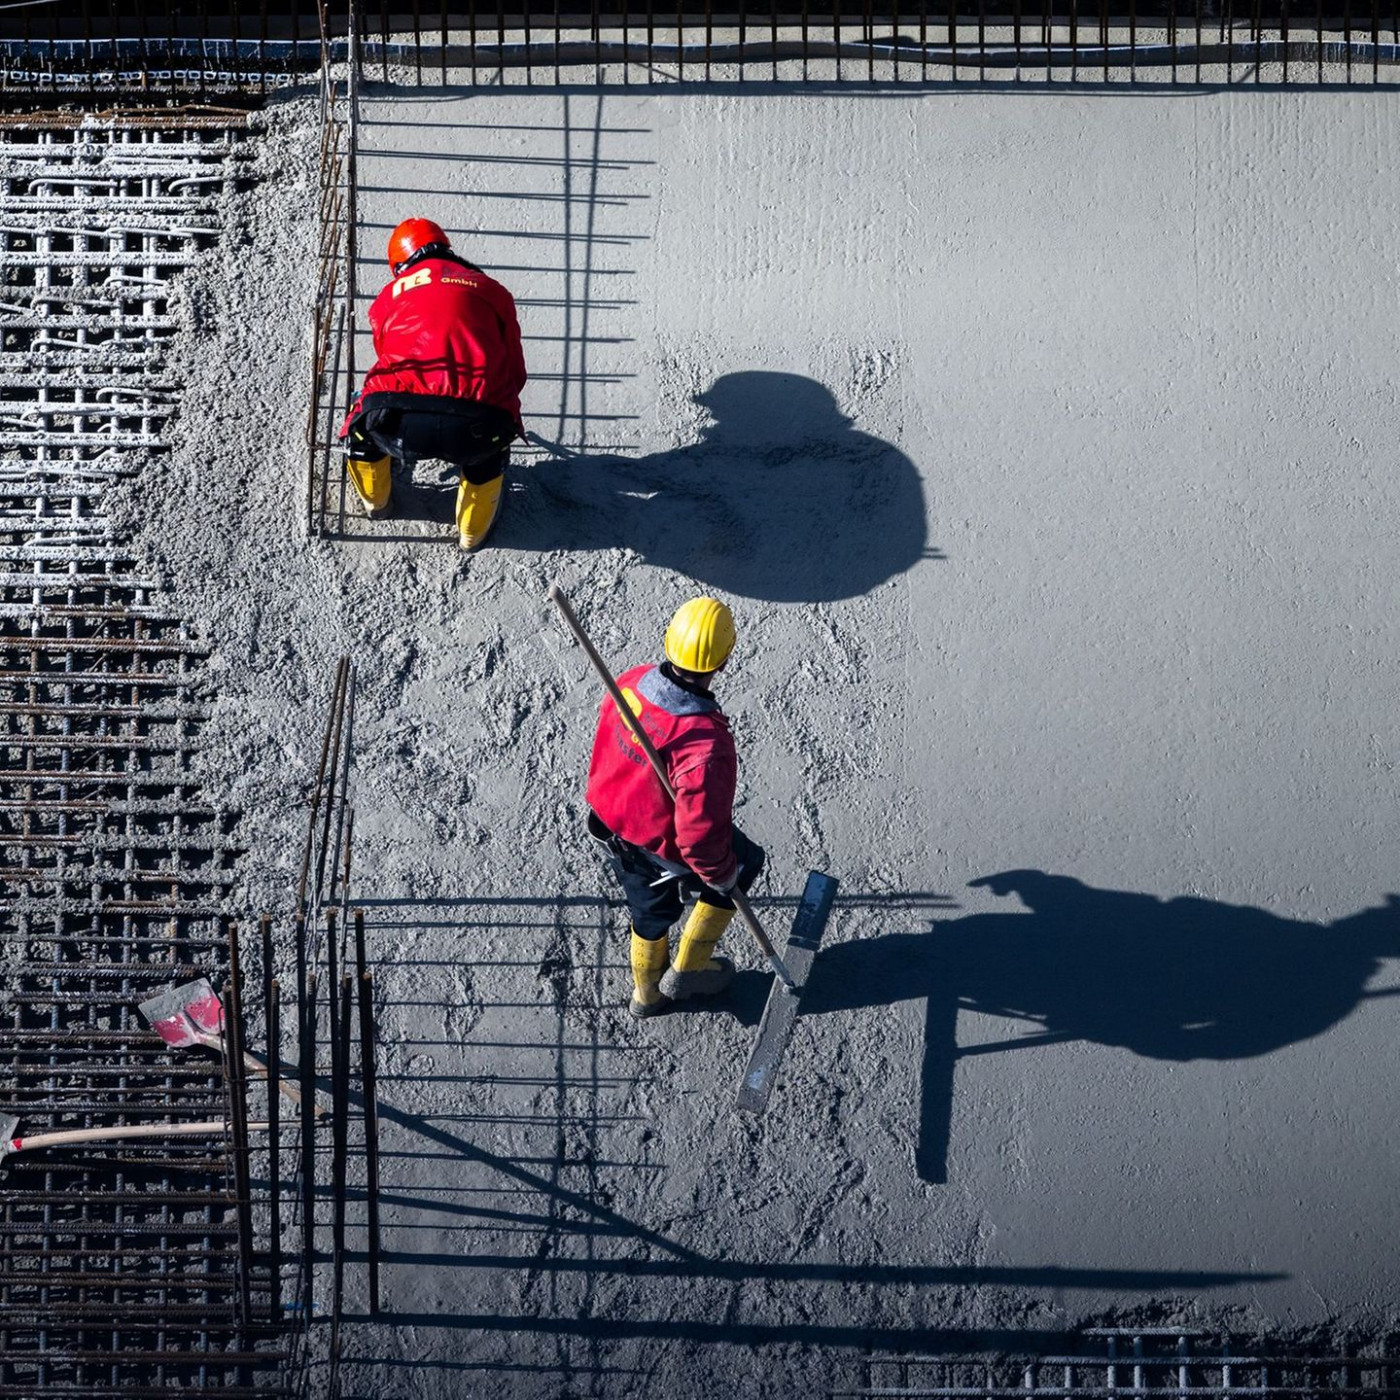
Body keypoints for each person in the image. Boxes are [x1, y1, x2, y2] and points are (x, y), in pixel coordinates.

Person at [585, 597, 765, 1018]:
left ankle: (647, 996)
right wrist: (721, 878)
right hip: (657, 845)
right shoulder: (704, 744)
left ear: (668, 642)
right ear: (723, 661)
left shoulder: (629, 683)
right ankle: (690, 968)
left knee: (649, 913)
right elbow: (698, 838)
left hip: (613, 823)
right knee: (743, 864)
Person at [340, 217, 527, 550]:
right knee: (487, 456)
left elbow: (385, 355)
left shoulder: (387, 296)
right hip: (477, 423)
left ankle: (377, 504)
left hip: (398, 419)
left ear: (399, 265)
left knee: (361, 431)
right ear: (446, 248)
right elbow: (515, 370)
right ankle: (472, 535)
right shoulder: (492, 290)